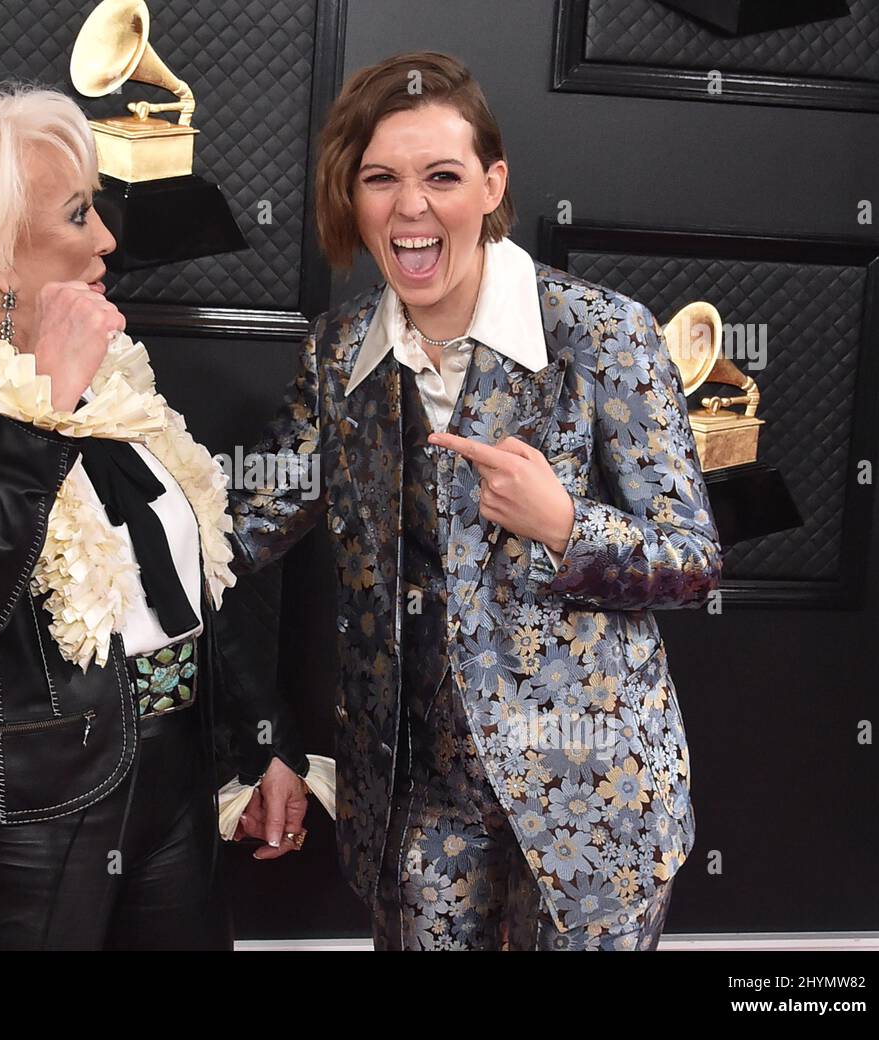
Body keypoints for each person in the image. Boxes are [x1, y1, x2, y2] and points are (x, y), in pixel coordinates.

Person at [228, 51, 723, 950]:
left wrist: (567, 527)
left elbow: (692, 562)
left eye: (442, 177)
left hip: (591, 793)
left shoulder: (602, 334)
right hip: (421, 796)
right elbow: (248, 524)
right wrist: (86, 484)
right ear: (354, 198)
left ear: (492, 186)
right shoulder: (338, 354)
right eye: (381, 179)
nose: (410, 207)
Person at [0, 81, 309, 950]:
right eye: (76, 216)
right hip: (36, 801)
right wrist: (41, 408)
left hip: (175, 775)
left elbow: (206, 574)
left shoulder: (118, 375)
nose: (106, 239)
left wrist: (258, 747)